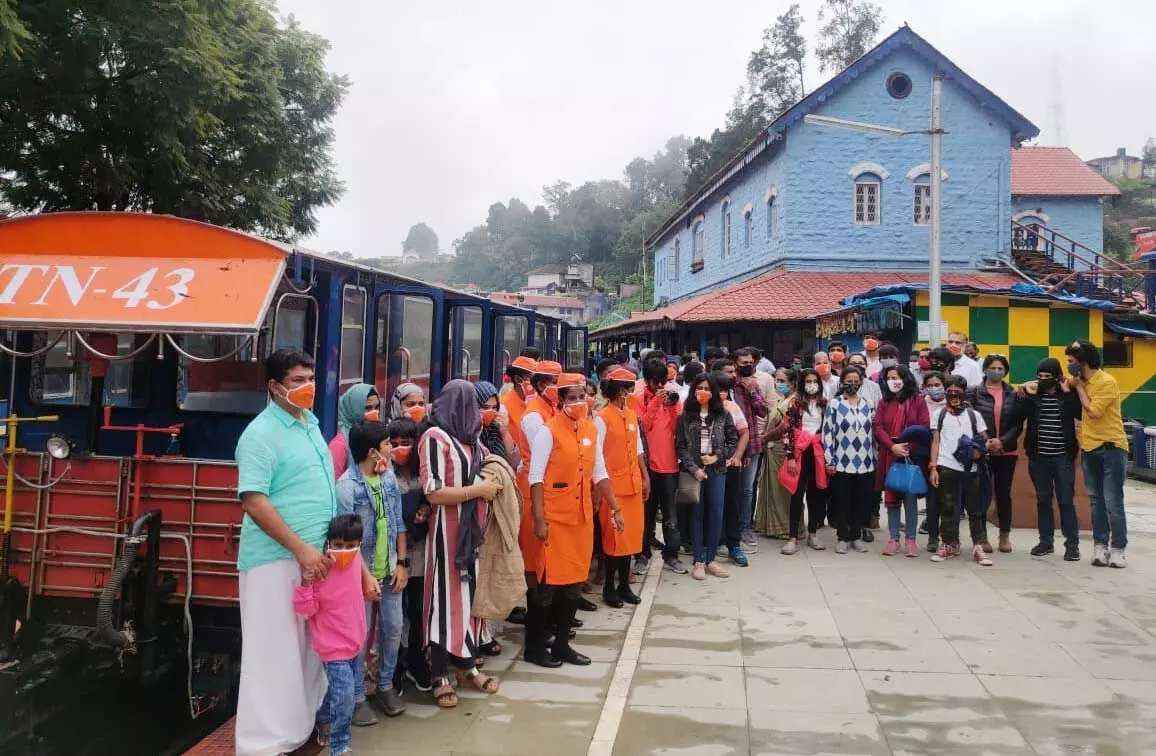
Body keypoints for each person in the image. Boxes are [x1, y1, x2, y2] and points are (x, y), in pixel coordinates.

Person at [234, 349, 344, 756]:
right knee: (273, 651)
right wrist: (300, 549)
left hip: (313, 558)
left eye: (310, 378)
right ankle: (262, 745)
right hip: (275, 559)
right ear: (274, 387)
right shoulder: (260, 434)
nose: (307, 387)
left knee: (307, 648)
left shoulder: (308, 424)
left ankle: (296, 733)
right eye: (297, 381)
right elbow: (254, 500)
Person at [526, 374, 623, 667]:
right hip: (554, 519)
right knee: (548, 587)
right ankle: (534, 647)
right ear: (560, 401)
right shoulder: (548, 432)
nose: (579, 402)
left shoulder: (591, 431)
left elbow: (600, 472)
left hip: (580, 519)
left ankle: (562, 645)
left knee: (573, 586)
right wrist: (539, 519)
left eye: (582, 396)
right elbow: (535, 477)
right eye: (572, 398)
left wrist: (616, 508)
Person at [418, 380, 503, 708]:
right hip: (446, 533)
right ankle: (439, 675)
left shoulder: (473, 440)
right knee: (443, 603)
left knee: (469, 602)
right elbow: (434, 492)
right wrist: (477, 491)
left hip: (473, 532)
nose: (473, 410)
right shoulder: (434, 438)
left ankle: (467, 665)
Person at [336, 420, 408, 722]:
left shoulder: (388, 478)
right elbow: (347, 542)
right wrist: (365, 576)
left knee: (393, 629)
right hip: (359, 575)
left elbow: (398, 524)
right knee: (360, 636)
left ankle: (385, 685)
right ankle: (356, 697)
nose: (391, 450)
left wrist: (402, 563)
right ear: (372, 452)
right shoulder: (346, 487)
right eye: (388, 444)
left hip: (390, 570)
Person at [293, 513, 376, 756]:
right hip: (331, 647)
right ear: (329, 543)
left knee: (338, 692)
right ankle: (339, 746)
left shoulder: (355, 562)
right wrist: (307, 585)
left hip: (354, 641)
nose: (344, 551)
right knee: (346, 695)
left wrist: (369, 582)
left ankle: (324, 719)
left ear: (359, 545)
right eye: (337, 545)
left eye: (350, 546)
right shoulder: (321, 568)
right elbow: (306, 610)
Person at [1011, 358, 1082, 561]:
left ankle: (1072, 545)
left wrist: (1069, 394)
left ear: (1057, 376)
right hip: (1038, 456)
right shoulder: (1034, 395)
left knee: (1066, 501)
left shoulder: (1067, 395)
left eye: (1047, 377)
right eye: (1040, 376)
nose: (1043, 380)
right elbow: (1017, 417)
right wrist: (1023, 396)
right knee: (1043, 500)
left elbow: (1079, 413)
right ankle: (1046, 542)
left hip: (1062, 456)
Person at [1066, 340, 1129, 568]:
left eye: (1072, 362)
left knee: (1113, 501)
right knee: (1095, 501)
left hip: (1111, 446)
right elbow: (1056, 383)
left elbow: (1093, 412)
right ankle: (1100, 547)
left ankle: (1118, 548)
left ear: (1084, 361)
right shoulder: (1077, 381)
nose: (1069, 366)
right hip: (1089, 447)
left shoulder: (1106, 381)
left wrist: (1079, 387)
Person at [385, 417, 434, 693]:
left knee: (417, 611)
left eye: (407, 443)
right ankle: (393, 669)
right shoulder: (384, 474)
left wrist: (425, 508)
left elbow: (432, 497)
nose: (401, 448)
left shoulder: (423, 471)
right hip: (393, 554)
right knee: (393, 617)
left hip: (420, 553)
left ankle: (416, 661)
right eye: (394, 443)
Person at [675, 373, 738, 580]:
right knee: (697, 514)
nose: (703, 392)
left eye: (707, 388)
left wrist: (717, 456)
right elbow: (681, 447)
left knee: (716, 513)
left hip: (717, 469)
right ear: (693, 391)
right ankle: (699, 560)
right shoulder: (685, 416)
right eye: (699, 387)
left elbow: (732, 441)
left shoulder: (723, 415)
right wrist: (694, 468)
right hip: (695, 471)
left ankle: (711, 559)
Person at [596, 368, 650, 607]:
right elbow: (595, 456)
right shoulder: (602, 418)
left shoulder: (630, 414)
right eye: (629, 388)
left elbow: (638, 449)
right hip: (613, 488)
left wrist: (645, 476)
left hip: (633, 485)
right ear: (620, 390)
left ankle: (624, 586)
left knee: (630, 538)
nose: (631, 392)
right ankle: (609, 587)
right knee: (613, 540)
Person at [928, 375, 992, 566]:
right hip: (947, 466)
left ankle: (978, 546)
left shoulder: (974, 415)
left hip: (971, 468)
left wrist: (979, 450)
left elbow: (984, 438)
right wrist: (933, 467)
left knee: (975, 509)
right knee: (947, 507)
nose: (953, 394)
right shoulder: (938, 415)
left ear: (964, 393)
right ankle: (947, 543)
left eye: (958, 390)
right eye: (950, 390)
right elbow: (936, 441)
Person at [637, 359, 688, 574]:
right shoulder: (638, 399)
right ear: (647, 380)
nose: (660, 387)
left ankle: (672, 555)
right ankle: (642, 554)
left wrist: (672, 406)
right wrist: (655, 403)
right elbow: (642, 427)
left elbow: (680, 429)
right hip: (647, 467)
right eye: (656, 382)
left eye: (663, 382)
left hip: (669, 467)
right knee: (645, 515)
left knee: (671, 515)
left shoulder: (673, 398)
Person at [874, 365, 930, 557]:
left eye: (896, 377)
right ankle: (893, 539)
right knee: (891, 499)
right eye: (889, 378)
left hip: (910, 456)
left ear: (905, 378)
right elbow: (878, 428)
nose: (893, 381)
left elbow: (923, 427)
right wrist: (893, 447)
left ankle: (911, 540)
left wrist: (906, 448)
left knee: (910, 498)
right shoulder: (884, 402)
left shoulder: (918, 401)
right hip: (890, 454)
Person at [966, 354, 1018, 553]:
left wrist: (1001, 441)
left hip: (1006, 451)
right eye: (993, 367)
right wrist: (986, 441)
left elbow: (1016, 423)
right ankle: (981, 536)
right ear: (985, 369)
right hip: (983, 451)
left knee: (1003, 494)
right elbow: (970, 419)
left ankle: (1004, 535)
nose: (996, 371)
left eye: (1000, 368)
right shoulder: (974, 392)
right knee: (981, 495)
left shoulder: (1013, 393)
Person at [518, 359, 562, 589]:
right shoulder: (535, 415)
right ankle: (537, 612)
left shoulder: (551, 409)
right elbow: (545, 457)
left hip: (549, 488)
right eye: (555, 382)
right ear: (541, 384)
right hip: (534, 488)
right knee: (534, 553)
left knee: (549, 549)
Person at [822, 365, 876, 554]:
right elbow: (827, 433)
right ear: (842, 382)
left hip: (866, 461)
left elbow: (874, 431)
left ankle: (856, 535)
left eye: (856, 381)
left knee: (861, 500)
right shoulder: (835, 404)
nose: (852, 384)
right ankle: (843, 537)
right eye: (848, 381)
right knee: (842, 500)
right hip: (842, 460)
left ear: (861, 382)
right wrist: (830, 459)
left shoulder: (868, 403)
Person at [777, 368, 829, 555]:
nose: (812, 385)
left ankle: (813, 534)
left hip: (817, 452)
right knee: (796, 495)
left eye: (815, 381)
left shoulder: (825, 404)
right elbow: (787, 430)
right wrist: (790, 456)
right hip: (799, 452)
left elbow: (828, 430)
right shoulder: (795, 404)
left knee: (816, 494)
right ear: (802, 383)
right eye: (808, 381)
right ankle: (792, 538)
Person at [711, 365, 752, 567]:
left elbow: (744, 432)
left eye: (726, 390)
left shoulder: (732, 407)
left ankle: (733, 545)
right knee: (709, 507)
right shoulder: (696, 408)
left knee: (731, 504)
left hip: (729, 466)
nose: (722, 394)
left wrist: (737, 456)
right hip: (706, 468)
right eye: (719, 389)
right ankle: (709, 546)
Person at [730, 349, 769, 553]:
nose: (747, 364)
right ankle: (731, 528)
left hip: (752, 444)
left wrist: (751, 391)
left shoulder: (753, 384)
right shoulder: (728, 384)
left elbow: (763, 410)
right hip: (730, 446)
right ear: (735, 364)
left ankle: (745, 528)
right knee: (732, 489)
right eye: (743, 362)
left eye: (750, 362)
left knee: (747, 489)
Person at [756, 368, 796, 539]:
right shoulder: (783, 399)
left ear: (793, 383)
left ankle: (784, 528)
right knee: (772, 487)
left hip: (781, 449)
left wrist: (764, 438)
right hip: (773, 448)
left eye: (782, 380)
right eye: (776, 380)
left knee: (782, 489)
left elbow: (784, 427)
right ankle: (770, 526)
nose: (778, 384)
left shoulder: (793, 401)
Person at [919, 371, 947, 552]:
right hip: (927, 454)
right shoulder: (920, 404)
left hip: (950, 456)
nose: (934, 388)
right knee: (932, 498)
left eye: (938, 384)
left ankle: (949, 537)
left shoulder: (954, 402)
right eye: (930, 385)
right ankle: (933, 536)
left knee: (949, 499)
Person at [329, 383, 381, 478]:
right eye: (367, 408)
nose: (374, 412)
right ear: (353, 409)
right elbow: (334, 483)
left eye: (377, 407)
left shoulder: (379, 436)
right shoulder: (340, 444)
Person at [476, 380, 520, 467]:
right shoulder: (467, 430)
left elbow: (514, 462)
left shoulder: (496, 428)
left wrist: (505, 433)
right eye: (485, 407)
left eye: (495, 407)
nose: (491, 411)